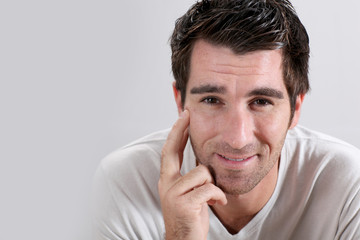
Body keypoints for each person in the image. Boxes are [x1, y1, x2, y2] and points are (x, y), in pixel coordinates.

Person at [92, 0, 360, 239]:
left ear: (295, 108)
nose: (237, 138)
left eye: (261, 102)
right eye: (211, 100)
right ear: (180, 101)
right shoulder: (124, 183)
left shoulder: (348, 183)